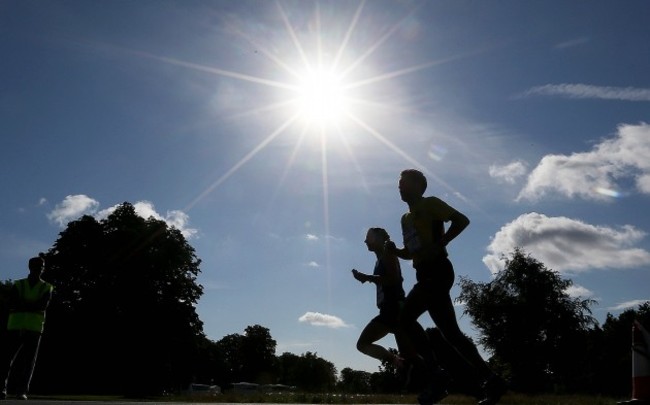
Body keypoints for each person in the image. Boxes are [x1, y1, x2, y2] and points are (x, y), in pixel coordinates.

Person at [386, 169, 506, 405]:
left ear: (419, 186)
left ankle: (437, 377)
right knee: (452, 335)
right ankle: (492, 380)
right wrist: (396, 252)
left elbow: (462, 220)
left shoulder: (430, 204)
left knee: (405, 319)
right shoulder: (405, 219)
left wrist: (442, 242)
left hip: (439, 270)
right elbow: (412, 253)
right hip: (424, 274)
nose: (399, 186)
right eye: (398, 183)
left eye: (404, 182)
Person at [351, 227, 406, 369]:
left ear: (378, 239)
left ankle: (398, 361)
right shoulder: (380, 260)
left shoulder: (388, 254)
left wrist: (367, 277)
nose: (365, 241)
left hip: (393, 307)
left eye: (368, 238)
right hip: (390, 308)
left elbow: (393, 279)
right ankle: (406, 365)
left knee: (362, 344)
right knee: (409, 352)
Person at [0, 256, 53, 400]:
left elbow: (42, 305)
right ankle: (2, 389)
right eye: (37, 265)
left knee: (28, 362)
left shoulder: (47, 287)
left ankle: (21, 391)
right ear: (30, 267)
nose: (40, 268)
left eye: (42, 266)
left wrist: (24, 305)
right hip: (15, 326)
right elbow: (13, 302)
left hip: (34, 328)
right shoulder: (19, 284)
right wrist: (31, 306)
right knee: (6, 359)